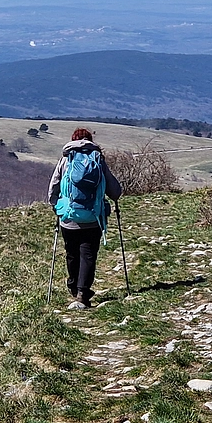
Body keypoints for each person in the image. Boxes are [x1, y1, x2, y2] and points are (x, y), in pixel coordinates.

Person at [47, 128, 122, 309]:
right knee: (88, 255)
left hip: (69, 217)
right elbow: (115, 192)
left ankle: (73, 286)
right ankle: (82, 293)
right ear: (90, 141)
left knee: (72, 253)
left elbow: (53, 188)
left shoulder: (66, 159)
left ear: (73, 140)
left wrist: (56, 206)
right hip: (93, 218)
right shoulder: (98, 160)